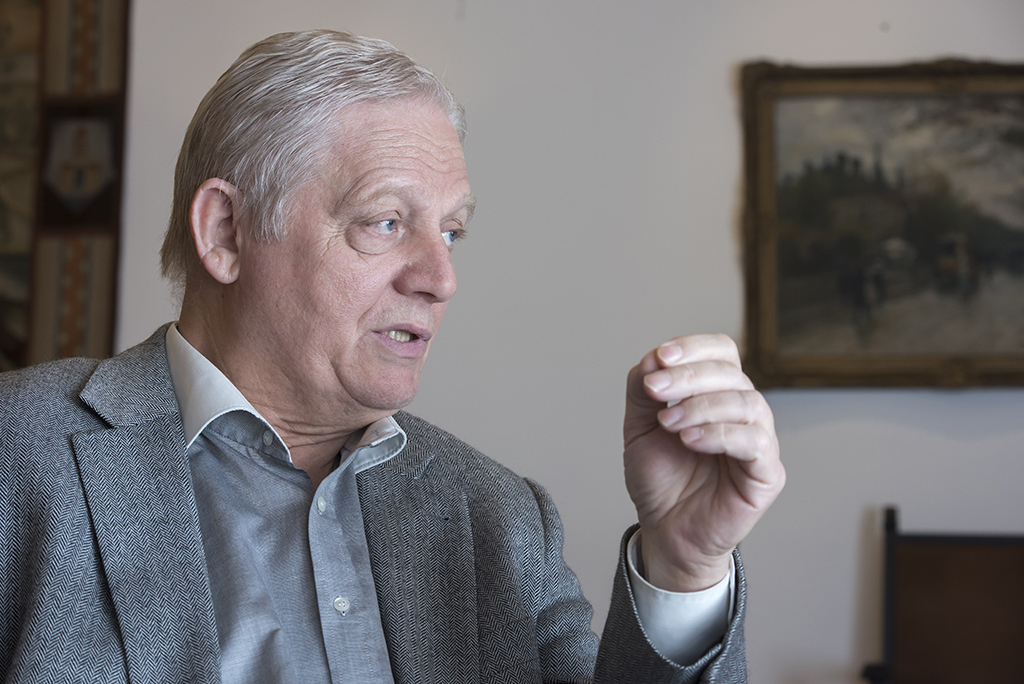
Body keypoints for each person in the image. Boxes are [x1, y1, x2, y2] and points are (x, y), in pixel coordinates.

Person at [0, 30, 784, 683]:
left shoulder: (500, 516)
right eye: (384, 222)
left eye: (451, 231)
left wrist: (684, 569)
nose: (440, 278)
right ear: (226, 233)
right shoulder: (19, 453)